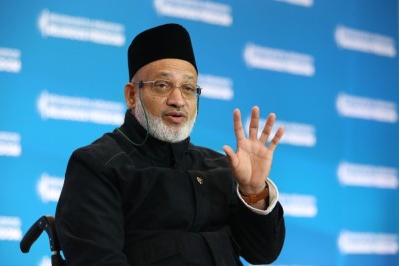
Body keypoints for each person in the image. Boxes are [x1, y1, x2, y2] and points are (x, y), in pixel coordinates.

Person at [55, 23, 285, 266]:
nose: (178, 100)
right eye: (162, 85)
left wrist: (252, 191)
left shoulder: (221, 166)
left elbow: (263, 253)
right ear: (132, 95)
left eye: (188, 88)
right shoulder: (97, 166)